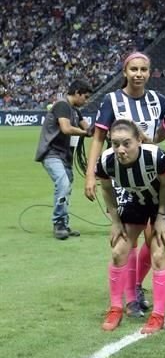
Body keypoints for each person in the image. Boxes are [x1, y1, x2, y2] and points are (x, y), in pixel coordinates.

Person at [85, 51, 165, 318]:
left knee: (153, 238)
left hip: (150, 175)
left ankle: (135, 287)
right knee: (128, 239)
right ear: (125, 71)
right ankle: (132, 296)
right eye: (133, 69)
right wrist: (91, 174)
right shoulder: (112, 100)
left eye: (143, 70)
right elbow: (99, 139)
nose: (138, 74)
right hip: (125, 181)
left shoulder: (158, 101)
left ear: (149, 72)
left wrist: (153, 141)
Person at [96, 120, 165, 335]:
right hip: (135, 201)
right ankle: (115, 308)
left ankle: (158, 314)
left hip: (162, 204)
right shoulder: (106, 161)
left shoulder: (155, 156)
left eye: (127, 143)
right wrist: (115, 222)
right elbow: (107, 191)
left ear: (139, 140)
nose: (121, 150)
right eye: (115, 144)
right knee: (118, 251)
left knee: (159, 255)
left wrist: (160, 217)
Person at [35, 79, 92, 240]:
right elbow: (66, 129)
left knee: (66, 189)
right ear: (77, 93)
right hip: (52, 153)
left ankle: (64, 224)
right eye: (85, 97)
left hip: (65, 156)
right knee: (63, 183)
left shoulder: (75, 111)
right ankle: (58, 223)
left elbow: (88, 127)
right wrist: (85, 133)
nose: (86, 101)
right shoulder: (62, 105)